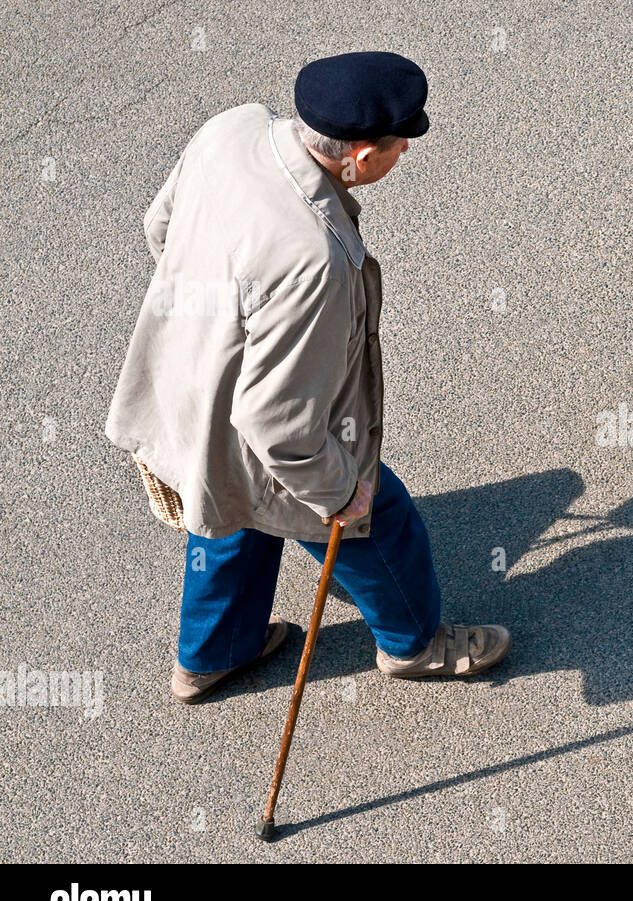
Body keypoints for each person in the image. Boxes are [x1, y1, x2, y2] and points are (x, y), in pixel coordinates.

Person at [105, 51, 509, 703]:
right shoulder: (313, 257)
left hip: (185, 380)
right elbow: (278, 425)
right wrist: (342, 492)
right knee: (379, 522)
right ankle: (416, 645)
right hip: (255, 421)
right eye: (399, 140)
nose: (405, 148)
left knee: (231, 512)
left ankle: (211, 653)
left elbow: (161, 227)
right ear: (359, 156)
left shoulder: (231, 127)